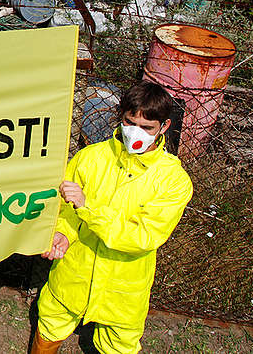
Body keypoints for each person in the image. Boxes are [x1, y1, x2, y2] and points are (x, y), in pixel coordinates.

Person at [32, 82, 193, 354]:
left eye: (147, 127)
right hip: (73, 272)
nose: (135, 133)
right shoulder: (89, 158)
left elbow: (143, 237)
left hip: (123, 288)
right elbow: (65, 209)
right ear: (121, 116)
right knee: (51, 323)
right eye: (130, 122)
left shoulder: (173, 182)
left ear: (164, 127)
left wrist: (89, 208)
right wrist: (61, 234)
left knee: (119, 345)